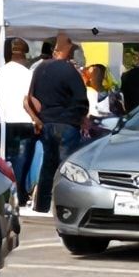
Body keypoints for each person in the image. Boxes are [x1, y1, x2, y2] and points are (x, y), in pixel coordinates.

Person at [27, 33, 87, 215]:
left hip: (46, 122)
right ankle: (66, 206)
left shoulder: (40, 69)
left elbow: (31, 97)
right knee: (67, 166)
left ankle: (42, 205)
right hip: (67, 123)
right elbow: (81, 98)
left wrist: (39, 118)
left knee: (48, 165)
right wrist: (79, 116)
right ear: (66, 50)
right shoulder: (70, 71)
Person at [0, 37, 36, 203]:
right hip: (24, 120)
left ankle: (11, 192)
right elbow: (28, 100)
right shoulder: (27, 74)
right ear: (23, 55)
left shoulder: (0, 73)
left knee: (9, 158)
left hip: (5, 122)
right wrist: (36, 119)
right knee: (23, 160)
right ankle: (20, 192)